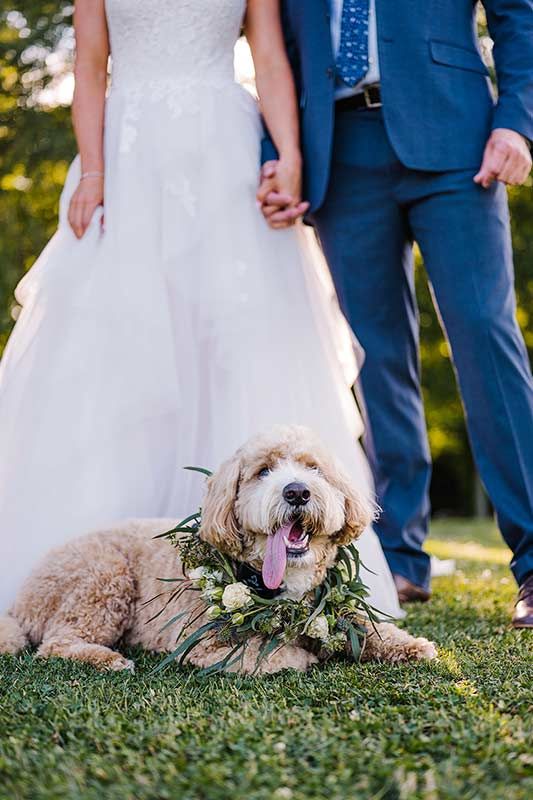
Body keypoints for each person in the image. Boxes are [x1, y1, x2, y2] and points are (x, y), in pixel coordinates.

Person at [0, 0, 402, 620]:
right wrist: (93, 173)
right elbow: (88, 64)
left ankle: (260, 549)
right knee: (121, 346)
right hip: (129, 157)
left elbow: (268, 58)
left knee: (242, 343)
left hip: (227, 155)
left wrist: (288, 159)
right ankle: (116, 565)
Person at [258, 0, 533, 627]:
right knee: (372, 362)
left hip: (459, 137)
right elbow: (279, 49)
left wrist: (516, 121)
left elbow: (520, 15)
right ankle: (399, 558)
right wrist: (278, 152)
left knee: (486, 339)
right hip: (339, 152)